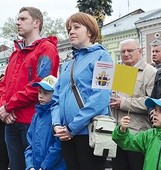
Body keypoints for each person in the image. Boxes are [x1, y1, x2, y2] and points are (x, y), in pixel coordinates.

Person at [51, 12, 113, 170]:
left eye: (76, 27)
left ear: (90, 32)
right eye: (69, 28)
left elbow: (100, 97)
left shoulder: (102, 57)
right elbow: (55, 100)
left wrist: (72, 127)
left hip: (89, 134)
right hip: (66, 135)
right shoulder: (67, 65)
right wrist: (57, 124)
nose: (71, 31)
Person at [0, 7, 59, 170]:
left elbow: (39, 85)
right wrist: (3, 108)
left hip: (31, 121)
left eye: (23, 19)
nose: (17, 22)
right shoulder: (15, 53)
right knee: (15, 166)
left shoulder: (46, 48)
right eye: (17, 19)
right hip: (10, 120)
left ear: (36, 23)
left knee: (33, 166)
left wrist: (8, 107)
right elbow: (4, 84)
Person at [110, 39, 156, 170]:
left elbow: (151, 102)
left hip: (138, 134)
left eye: (129, 50)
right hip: (119, 133)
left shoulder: (150, 72)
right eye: (122, 51)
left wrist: (122, 102)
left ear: (140, 51)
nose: (125, 54)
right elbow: (117, 101)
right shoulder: (123, 71)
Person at [112, 93, 161, 170]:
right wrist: (122, 130)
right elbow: (128, 142)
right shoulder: (149, 135)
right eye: (155, 110)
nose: (155, 113)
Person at [25, 75, 66, 170]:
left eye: (46, 93)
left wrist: (44, 166)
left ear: (56, 94)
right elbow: (30, 144)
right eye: (39, 92)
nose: (40, 96)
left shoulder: (59, 116)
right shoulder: (36, 116)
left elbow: (58, 147)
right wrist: (30, 166)